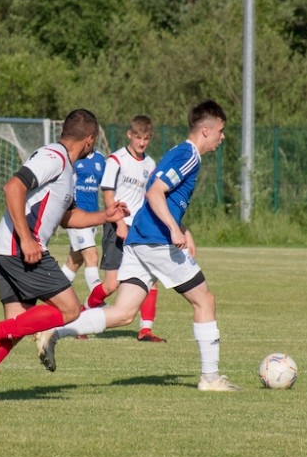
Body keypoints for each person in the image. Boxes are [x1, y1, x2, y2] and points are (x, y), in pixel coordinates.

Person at [36, 99, 241, 392]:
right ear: (206, 130)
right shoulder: (189, 156)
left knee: (123, 313)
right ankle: (210, 378)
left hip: (139, 239)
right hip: (155, 241)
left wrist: (184, 228)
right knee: (204, 300)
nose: (222, 137)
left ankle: (55, 332)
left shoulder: (177, 153)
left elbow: (160, 196)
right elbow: (155, 192)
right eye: (220, 131)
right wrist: (174, 229)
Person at [0, 108, 129, 403]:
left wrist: (104, 216)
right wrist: (26, 239)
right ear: (90, 139)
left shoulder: (66, 168)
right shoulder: (53, 157)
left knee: (18, 327)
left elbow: (67, 217)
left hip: (10, 249)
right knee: (70, 310)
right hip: (21, 248)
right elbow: (13, 187)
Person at [85, 115, 166, 343]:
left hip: (139, 229)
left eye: (146, 138)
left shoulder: (150, 164)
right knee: (111, 284)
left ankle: (146, 330)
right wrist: (119, 223)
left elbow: (150, 197)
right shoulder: (116, 160)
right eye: (138, 137)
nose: (142, 143)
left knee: (149, 277)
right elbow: (107, 194)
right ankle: (83, 314)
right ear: (129, 134)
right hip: (117, 226)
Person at [61, 148, 107, 294]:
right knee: (92, 256)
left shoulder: (100, 158)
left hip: (92, 216)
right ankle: (97, 301)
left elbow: (106, 185)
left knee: (75, 261)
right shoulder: (74, 157)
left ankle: (54, 295)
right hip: (77, 216)